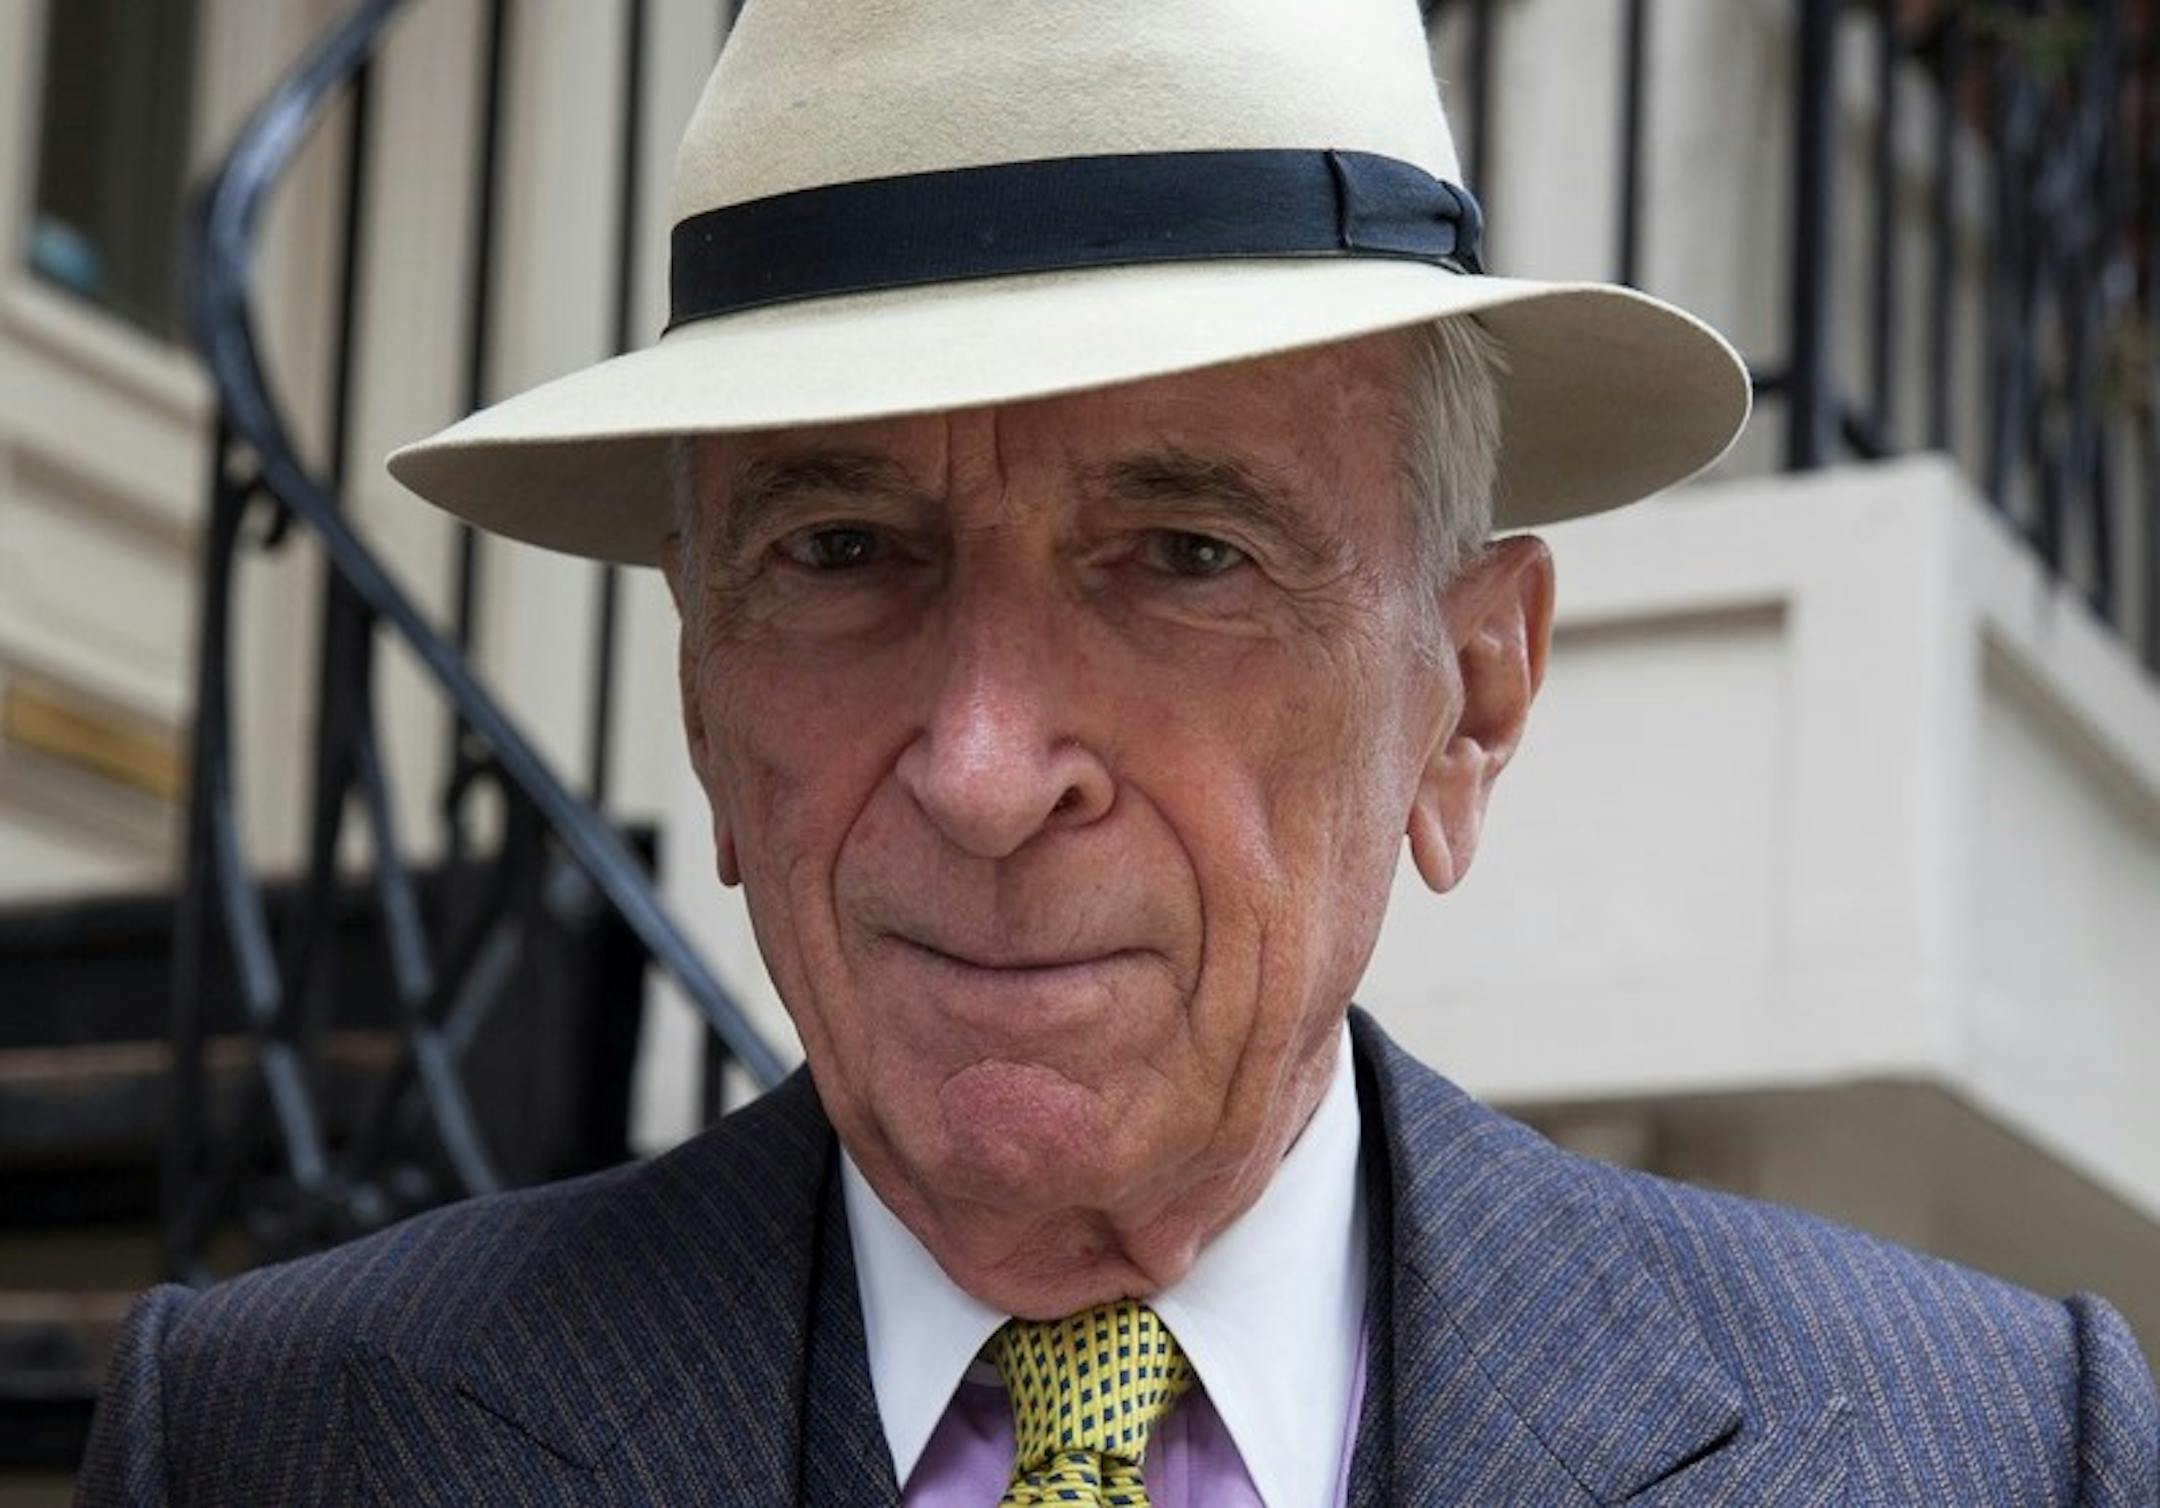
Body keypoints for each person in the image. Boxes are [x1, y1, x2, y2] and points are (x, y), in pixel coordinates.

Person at [80, 0, 2158, 1503]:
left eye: (1185, 554)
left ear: (1473, 697)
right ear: (707, 704)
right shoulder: (283, 1436)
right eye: (841, 549)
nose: (985, 767)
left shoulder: (1979, 1449)